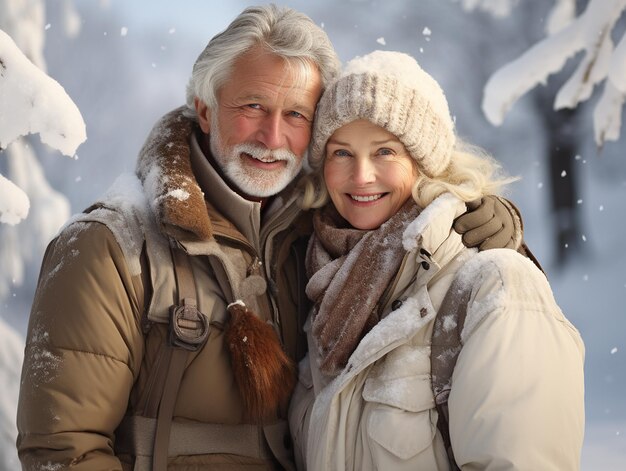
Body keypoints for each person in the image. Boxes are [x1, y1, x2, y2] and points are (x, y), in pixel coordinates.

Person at [17, 6, 522, 471]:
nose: (272, 136)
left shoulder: (318, 234)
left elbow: (414, 239)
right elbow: (63, 452)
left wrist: (480, 217)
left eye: (296, 115)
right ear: (206, 108)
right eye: (253, 106)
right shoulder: (110, 246)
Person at [288, 51, 585, 470]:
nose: (361, 176)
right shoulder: (321, 284)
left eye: (385, 152)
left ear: (424, 161)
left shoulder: (494, 283)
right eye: (341, 153)